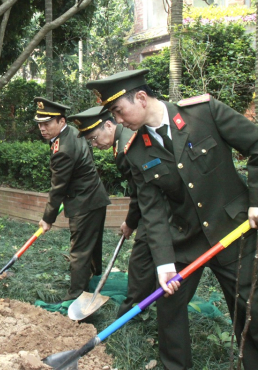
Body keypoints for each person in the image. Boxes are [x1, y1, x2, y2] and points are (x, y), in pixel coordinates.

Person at [87, 69, 258, 369]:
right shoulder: (136, 150)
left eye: (118, 110)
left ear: (140, 98)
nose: (118, 120)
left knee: (249, 308)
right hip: (185, 239)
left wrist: (257, 201)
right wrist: (164, 263)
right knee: (168, 307)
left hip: (233, 229)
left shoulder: (204, 113)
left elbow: (256, 145)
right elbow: (152, 211)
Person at [68, 106, 156, 316]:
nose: (95, 145)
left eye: (95, 138)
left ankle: (133, 312)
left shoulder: (127, 147)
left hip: (156, 208)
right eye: (90, 141)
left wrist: (131, 222)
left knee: (140, 262)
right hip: (152, 205)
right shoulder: (123, 140)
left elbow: (139, 192)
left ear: (109, 125)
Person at [34, 98, 111, 302]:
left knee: (79, 251)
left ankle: (76, 296)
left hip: (84, 202)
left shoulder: (63, 149)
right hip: (95, 197)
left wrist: (47, 218)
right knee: (92, 245)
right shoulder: (73, 133)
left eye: (47, 123)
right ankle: (92, 278)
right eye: (40, 124)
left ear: (61, 121)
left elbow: (58, 187)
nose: (42, 128)